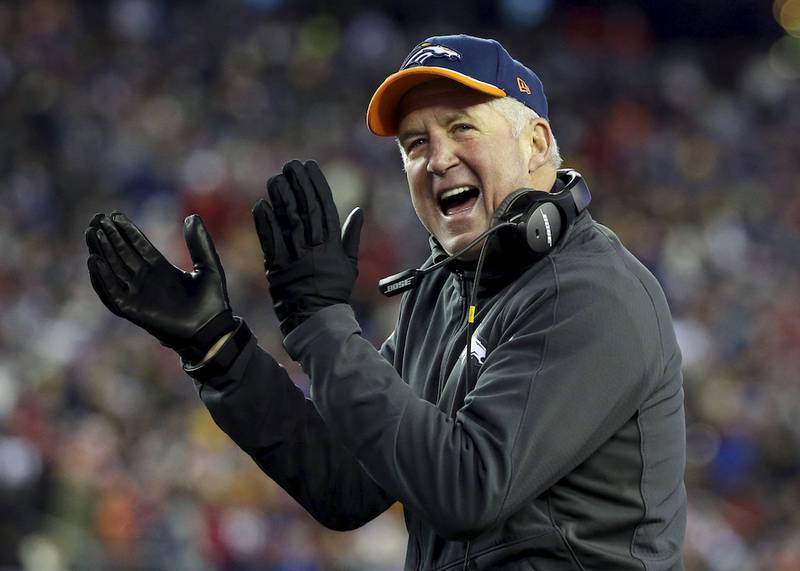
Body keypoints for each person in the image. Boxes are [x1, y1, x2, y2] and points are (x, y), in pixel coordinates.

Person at [85, 34, 687, 570]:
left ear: (535, 142)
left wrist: (319, 322)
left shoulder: (588, 292)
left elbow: (467, 487)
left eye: (462, 127)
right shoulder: (445, 294)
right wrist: (218, 349)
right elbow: (346, 482)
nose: (438, 157)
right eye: (415, 142)